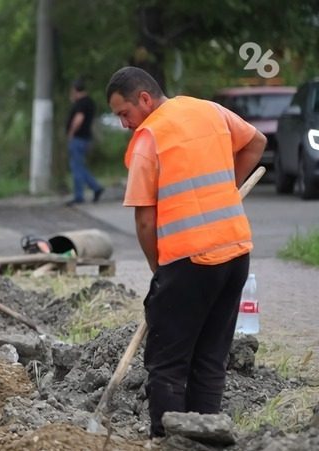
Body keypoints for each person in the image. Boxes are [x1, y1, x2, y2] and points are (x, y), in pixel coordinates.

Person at [105, 66, 266, 438]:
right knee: (211, 359)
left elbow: (146, 222)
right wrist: (227, 189)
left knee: (168, 364)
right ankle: (204, 440)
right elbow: (255, 142)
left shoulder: (150, 137)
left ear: (144, 99)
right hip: (235, 254)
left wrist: (158, 271)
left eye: (124, 113)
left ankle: (168, 441)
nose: (124, 124)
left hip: (187, 263)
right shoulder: (209, 110)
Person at [66, 77, 103, 206]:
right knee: (79, 166)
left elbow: (79, 119)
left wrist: (71, 132)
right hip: (86, 137)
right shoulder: (89, 102)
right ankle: (96, 187)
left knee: (76, 167)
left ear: (75, 90)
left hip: (78, 138)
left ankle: (79, 196)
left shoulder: (81, 103)